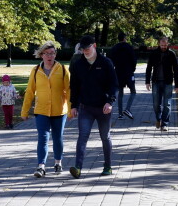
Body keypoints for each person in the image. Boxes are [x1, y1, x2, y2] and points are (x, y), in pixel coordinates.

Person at [68, 35, 118, 179]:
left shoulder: (106, 62)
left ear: (94, 46)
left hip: (103, 107)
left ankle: (107, 166)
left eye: (88, 48)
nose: (86, 51)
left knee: (105, 136)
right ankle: (77, 167)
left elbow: (114, 84)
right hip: (86, 107)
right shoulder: (78, 64)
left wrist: (110, 102)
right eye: (83, 49)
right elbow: (74, 86)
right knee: (82, 136)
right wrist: (73, 105)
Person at [21, 41, 70, 178]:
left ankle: (58, 162)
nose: (50, 56)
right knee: (42, 138)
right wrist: (24, 111)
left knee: (57, 137)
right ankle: (41, 166)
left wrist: (71, 108)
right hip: (41, 110)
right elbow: (30, 91)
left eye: (52, 53)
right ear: (41, 55)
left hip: (59, 110)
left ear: (55, 54)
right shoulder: (36, 70)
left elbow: (69, 90)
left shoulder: (63, 69)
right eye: (47, 53)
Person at [145, 36, 178, 132]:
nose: (164, 47)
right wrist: (147, 82)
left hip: (168, 82)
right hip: (156, 81)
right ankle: (158, 119)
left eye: (165, 45)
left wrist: (177, 85)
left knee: (167, 104)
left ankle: (164, 124)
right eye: (162, 45)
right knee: (156, 103)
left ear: (167, 44)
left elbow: (176, 70)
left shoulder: (171, 54)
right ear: (159, 44)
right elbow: (148, 68)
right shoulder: (154, 54)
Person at [108, 32, 137, 120]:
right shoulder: (129, 47)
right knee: (133, 91)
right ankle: (127, 108)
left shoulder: (114, 48)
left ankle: (120, 114)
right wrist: (132, 69)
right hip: (128, 72)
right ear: (124, 38)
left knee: (120, 93)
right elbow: (134, 59)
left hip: (118, 72)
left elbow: (110, 61)